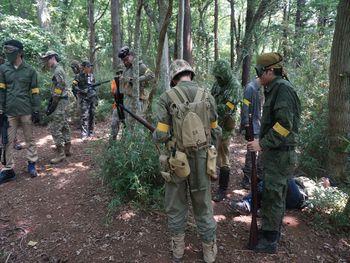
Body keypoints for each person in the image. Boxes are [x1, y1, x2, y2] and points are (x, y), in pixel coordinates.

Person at [153, 59, 221, 263]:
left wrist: (156, 135)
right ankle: (209, 251)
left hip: (177, 159)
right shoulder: (207, 96)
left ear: (174, 78)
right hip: (202, 158)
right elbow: (216, 129)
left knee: (175, 203)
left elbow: (162, 135)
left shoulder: (166, 97)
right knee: (203, 204)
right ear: (190, 74)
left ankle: (178, 251)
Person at [247, 52, 301, 253]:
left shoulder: (283, 89)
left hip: (280, 154)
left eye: (260, 71)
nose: (258, 75)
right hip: (275, 153)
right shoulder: (274, 88)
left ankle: (270, 240)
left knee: (274, 195)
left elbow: (284, 125)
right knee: (270, 194)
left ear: (270, 71)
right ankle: (268, 232)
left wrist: (262, 144)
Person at [0, 39, 40, 184]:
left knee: (30, 139)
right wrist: (1, 109)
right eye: (6, 50)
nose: (8, 54)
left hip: (26, 110)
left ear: (20, 52)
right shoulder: (3, 69)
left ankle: (31, 163)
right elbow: (2, 90)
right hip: (9, 112)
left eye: (11, 51)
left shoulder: (30, 71)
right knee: (7, 141)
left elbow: (35, 92)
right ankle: (9, 169)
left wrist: (36, 110)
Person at [210, 59, 240, 202]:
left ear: (225, 74)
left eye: (219, 76)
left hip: (225, 128)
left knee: (223, 158)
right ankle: (212, 174)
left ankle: (222, 189)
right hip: (214, 125)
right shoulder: (217, 83)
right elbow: (210, 96)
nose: (217, 79)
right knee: (211, 152)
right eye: (216, 76)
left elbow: (228, 108)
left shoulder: (234, 86)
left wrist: (211, 108)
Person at [230, 176, 337, 215]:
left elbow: (313, 204)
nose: (324, 179)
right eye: (324, 177)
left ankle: (259, 192)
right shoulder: (308, 179)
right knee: (271, 181)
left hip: (298, 198)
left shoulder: (322, 193)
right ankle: (247, 205)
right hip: (288, 190)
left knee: (283, 176)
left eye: (327, 180)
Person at [40, 51, 71, 164]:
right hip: (63, 101)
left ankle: (61, 154)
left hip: (61, 101)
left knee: (54, 128)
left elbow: (60, 86)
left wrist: (54, 101)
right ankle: (67, 148)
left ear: (53, 58)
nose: (46, 62)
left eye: (47, 59)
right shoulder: (58, 69)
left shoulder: (58, 70)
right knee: (64, 124)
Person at [118, 46, 154, 120]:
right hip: (127, 99)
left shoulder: (140, 66)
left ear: (131, 56)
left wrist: (136, 80)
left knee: (137, 122)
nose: (125, 62)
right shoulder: (126, 69)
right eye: (123, 60)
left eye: (126, 59)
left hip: (138, 100)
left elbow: (151, 75)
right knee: (128, 122)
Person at [239, 78, 264, 189]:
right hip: (252, 126)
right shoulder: (250, 88)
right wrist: (246, 124)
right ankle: (247, 178)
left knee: (258, 153)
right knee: (251, 153)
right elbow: (245, 107)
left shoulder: (259, 89)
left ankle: (257, 177)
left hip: (258, 125)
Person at [74, 61, 97, 139]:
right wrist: (82, 90)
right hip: (84, 98)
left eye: (90, 66)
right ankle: (84, 133)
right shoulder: (78, 76)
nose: (90, 68)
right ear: (84, 67)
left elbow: (94, 87)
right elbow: (74, 87)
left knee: (92, 114)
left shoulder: (92, 76)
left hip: (92, 98)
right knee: (84, 116)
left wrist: (95, 96)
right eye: (88, 66)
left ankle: (91, 132)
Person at [110, 64, 125, 141]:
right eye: (118, 73)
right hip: (117, 105)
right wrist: (119, 82)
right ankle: (112, 142)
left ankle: (125, 142)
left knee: (127, 125)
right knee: (114, 123)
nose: (120, 75)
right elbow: (113, 91)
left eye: (121, 73)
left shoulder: (129, 80)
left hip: (127, 106)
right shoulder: (114, 81)